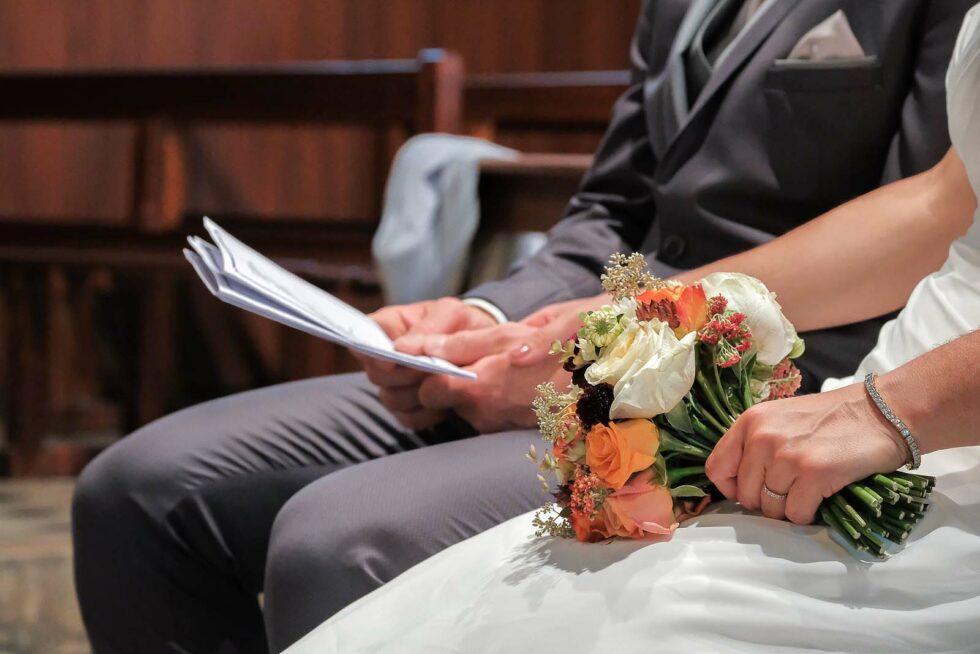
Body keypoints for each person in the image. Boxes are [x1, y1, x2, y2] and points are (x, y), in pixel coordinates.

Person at [71, 2, 974, 652]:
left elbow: (925, 236)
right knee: (140, 489)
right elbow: (614, 205)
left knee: (339, 541)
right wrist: (489, 316)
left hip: (768, 375)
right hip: (584, 330)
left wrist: (622, 344)